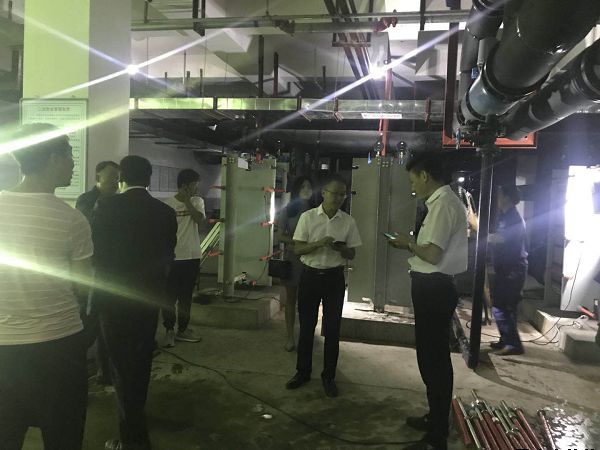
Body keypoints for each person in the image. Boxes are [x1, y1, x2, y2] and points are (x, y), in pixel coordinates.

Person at [0, 123, 93, 450]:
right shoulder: (71, 219)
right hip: (58, 346)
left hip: (3, 348)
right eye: (70, 155)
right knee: (63, 437)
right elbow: (83, 288)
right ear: (54, 158)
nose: (72, 163)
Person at [92, 155, 177, 450]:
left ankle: (133, 437)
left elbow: (97, 254)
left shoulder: (106, 206)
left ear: (121, 178)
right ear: (149, 178)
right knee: (140, 362)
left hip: (113, 299)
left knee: (120, 366)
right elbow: (168, 256)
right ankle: (135, 419)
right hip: (147, 299)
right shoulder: (164, 212)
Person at [389, 152, 467, 450]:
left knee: (433, 361)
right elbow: (431, 250)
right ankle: (435, 418)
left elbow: (432, 254)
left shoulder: (443, 204)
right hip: (432, 287)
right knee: (431, 358)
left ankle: (437, 435)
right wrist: (411, 245)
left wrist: (408, 243)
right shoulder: (441, 203)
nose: (412, 187)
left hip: (434, 289)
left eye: (413, 180)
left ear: (425, 176)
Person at [285, 175, 362, 398]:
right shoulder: (308, 218)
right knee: (306, 327)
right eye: (334, 193)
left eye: (342, 194)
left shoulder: (348, 221)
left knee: (332, 330)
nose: (338, 198)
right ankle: (303, 372)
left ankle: (329, 376)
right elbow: (298, 249)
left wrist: (342, 249)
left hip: (334, 279)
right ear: (324, 193)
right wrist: (320, 243)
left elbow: (352, 253)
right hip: (310, 276)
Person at [76, 160, 119, 385]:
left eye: (117, 178)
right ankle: (76, 369)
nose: (115, 182)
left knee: (107, 324)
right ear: (98, 177)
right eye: (110, 177)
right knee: (89, 321)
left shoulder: (118, 201)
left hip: (111, 270)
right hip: (91, 269)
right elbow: (87, 230)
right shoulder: (87, 200)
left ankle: (105, 372)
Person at [161, 168, 205, 347]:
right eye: (195, 185)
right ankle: (169, 330)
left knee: (186, 296)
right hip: (172, 257)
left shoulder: (197, 201)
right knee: (169, 297)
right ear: (185, 185)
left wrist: (187, 201)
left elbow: (199, 220)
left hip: (192, 256)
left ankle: (183, 329)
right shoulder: (168, 205)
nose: (197, 188)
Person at [275, 175, 315, 352]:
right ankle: (290, 337)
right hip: (293, 259)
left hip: (313, 260)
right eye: (303, 186)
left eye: (309, 187)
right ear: (296, 190)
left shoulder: (316, 210)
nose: (306, 190)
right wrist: (297, 242)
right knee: (291, 299)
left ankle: (307, 336)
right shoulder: (288, 210)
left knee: (309, 301)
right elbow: (279, 235)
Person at [488, 185, 528, 356]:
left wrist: (483, 236)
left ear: (507, 198)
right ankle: (506, 340)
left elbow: (502, 238)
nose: (497, 198)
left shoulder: (513, 218)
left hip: (513, 268)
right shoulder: (506, 216)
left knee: (503, 305)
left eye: (500, 195)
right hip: (507, 267)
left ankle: (513, 344)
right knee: (503, 304)